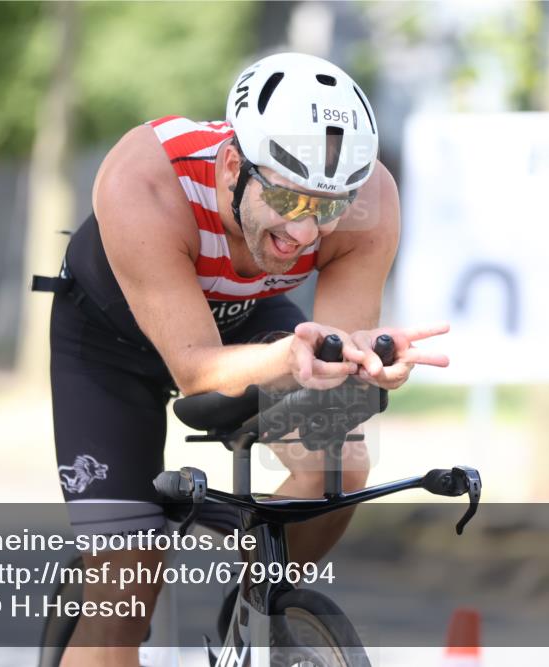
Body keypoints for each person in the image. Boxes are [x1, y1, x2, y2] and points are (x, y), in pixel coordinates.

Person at [38, 52, 449, 667]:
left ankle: (254, 619)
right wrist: (290, 355)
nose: (307, 231)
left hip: (246, 318)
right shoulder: (145, 179)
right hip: (110, 343)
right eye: (288, 199)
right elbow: (197, 370)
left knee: (343, 459)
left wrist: (365, 358)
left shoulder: (368, 201)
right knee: (125, 592)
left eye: (327, 208)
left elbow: (336, 350)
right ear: (234, 164)